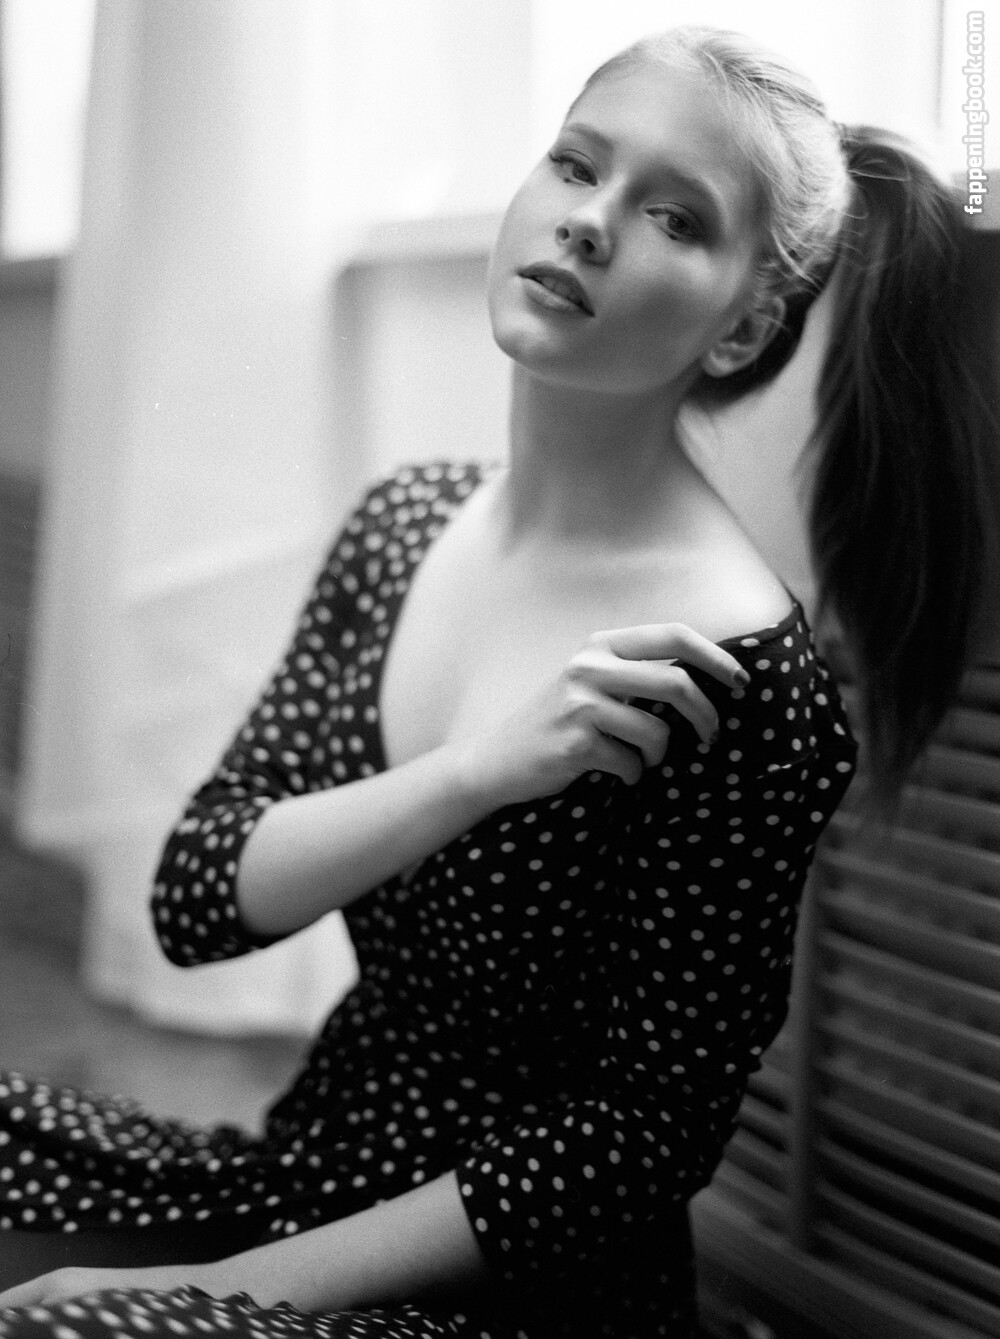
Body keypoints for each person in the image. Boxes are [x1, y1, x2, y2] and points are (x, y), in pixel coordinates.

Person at [0, 23, 996, 1339]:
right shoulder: (404, 524)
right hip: (309, 1175)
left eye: (674, 217)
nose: (589, 221)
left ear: (746, 321)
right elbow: (198, 898)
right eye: (577, 164)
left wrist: (191, 1297)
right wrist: (476, 773)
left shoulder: (738, 680)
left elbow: (638, 1142)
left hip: (516, 1290)